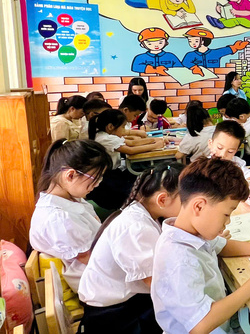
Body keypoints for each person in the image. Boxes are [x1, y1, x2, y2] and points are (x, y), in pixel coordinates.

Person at [151, 158, 250, 334]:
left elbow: (222, 245)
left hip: (219, 321)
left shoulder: (191, 231)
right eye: (226, 214)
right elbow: (199, 326)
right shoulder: (179, 258)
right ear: (199, 206)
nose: (228, 222)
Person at [78, 162, 184, 334]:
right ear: (162, 200)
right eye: (186, 200)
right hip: (113, 317)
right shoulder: (136, 228)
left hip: (124, 303)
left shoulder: (143, 213)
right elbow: (158, 286)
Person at [29, 139, 112, 292]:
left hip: (101, 270)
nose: (98, 184)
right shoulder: (59, 219)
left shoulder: (69, 199)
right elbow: (95, 259)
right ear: (71, 175)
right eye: (96, 178)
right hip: (98, 285)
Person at [88, 110, 165, 209]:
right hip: (107, 181)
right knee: (138, 189)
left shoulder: (107, 135)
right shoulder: (106, 138)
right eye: (123, 127)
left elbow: (132, 143)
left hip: (113, 174)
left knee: (140, 182)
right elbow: (130, 150)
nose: (124, 130)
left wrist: (155, 140)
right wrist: (155, 145)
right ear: (110, 127)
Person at [208, 121, 250, 186]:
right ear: (210, 143)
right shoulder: (203, 165)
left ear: (236, 151)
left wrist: (247, 184)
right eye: (219, 148)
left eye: (230, 151)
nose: (223, 155)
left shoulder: (237, 164)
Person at [181, 28, 247, 74]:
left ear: (203, 41)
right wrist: (194, 68)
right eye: (190, 41)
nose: (193, 43)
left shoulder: (215, 53)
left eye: (196, 41)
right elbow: (185, 63)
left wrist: (236, 47)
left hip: (214, 80)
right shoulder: (190, 55)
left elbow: (225, 50)